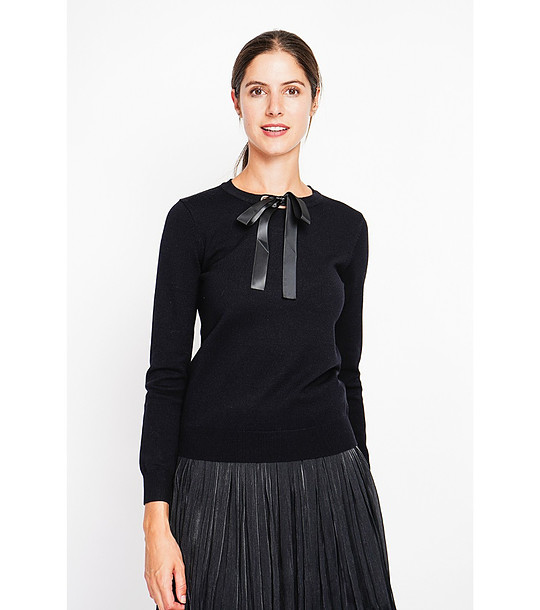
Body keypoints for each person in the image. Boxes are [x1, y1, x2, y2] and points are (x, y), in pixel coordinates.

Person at [139, 29, 398, 610]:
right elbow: (166, 377)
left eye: (292, 90)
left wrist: (362, 495)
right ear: (236, 101)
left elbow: (347, 373)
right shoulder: (192, 221)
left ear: (314, 100)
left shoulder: (347, 228)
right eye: (258, 90)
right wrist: (156, 524)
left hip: (330, 483)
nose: (275, 107)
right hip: (215, 483)